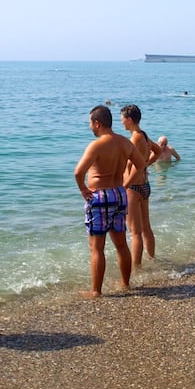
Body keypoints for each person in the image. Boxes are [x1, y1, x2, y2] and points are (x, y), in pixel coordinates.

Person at [73, 105, 146, 298]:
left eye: (90, 123)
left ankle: (96, 291)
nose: (90, 126)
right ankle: (125, 283)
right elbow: (141, 164)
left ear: (97, 123)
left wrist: (82, 189)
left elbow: (78, 172)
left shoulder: (96, 145)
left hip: (100, 195)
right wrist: (125, 185)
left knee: (97, 247)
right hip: (119, 194)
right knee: (121, 244)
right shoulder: (125, 143)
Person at [120, 105, 160, 268]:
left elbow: (136, 166)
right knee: (146, 228)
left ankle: (136, 269)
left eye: (122, 119)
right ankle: (152, 260)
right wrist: (145, 165)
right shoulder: (143, 135)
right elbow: (156, 151)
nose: (121, 123)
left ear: (129, 120)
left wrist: (125, 185)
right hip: (144, 186)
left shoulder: (135, 138)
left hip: (133, 188)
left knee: (135, 232)